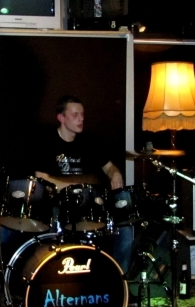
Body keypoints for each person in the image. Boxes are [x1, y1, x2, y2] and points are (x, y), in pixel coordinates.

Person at [33, 95, 132, 272]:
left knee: (125, 228)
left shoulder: (90, 141)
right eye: (75, 115)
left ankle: (118, 277)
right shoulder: (47, 141)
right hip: (58, 207)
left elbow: (109, 167)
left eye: (82, 114)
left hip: (89, 206)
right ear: (61, 117)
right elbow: (41, 177)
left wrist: (115, 174)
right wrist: (71, 188)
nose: (81, 119)